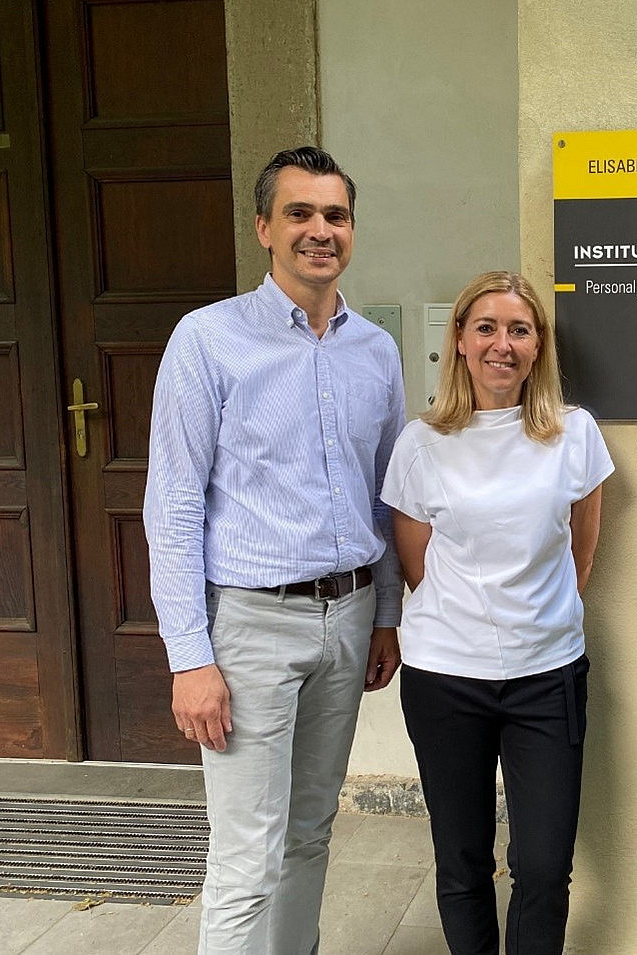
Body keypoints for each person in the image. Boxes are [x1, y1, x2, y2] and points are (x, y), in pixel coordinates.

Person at [143, 145, 405, 954]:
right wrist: (190, 657)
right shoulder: (207, 340)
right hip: (250, 627)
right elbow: (173, 504)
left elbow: (383, 494)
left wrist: (386, 615)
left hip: (349, 617)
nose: (319, 230)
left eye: (335, 215)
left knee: (309, 831)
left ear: (351, 229)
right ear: (264, 227)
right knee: (246, 856)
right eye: (299, 213)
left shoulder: (376, 351)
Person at [381, 270, 613, 955]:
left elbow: (582, 548)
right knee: (462, 860)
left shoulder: (574, 434)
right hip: (446, 678)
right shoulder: (421, 443)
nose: (501, 344)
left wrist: (534, 616)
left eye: (519, 330)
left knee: (543, 865)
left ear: (538, 345)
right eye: (485, 328)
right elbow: (416, 565)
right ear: (459, 339)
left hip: (548, 675)